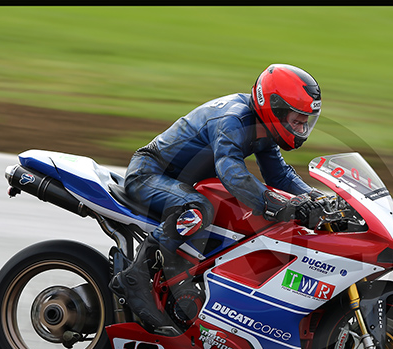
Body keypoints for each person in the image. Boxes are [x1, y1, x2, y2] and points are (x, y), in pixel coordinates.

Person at [110, 64, 327, 330]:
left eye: (306, 121)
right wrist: (273, 203)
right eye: (297, 119)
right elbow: (231, 172)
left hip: (180, 183)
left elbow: (279, 176)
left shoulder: (264, 128)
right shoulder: (233, 119)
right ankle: (136, 277)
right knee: (199, 208)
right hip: (147, 175)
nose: (302, 128)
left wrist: (318, 199)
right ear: (275, 109)